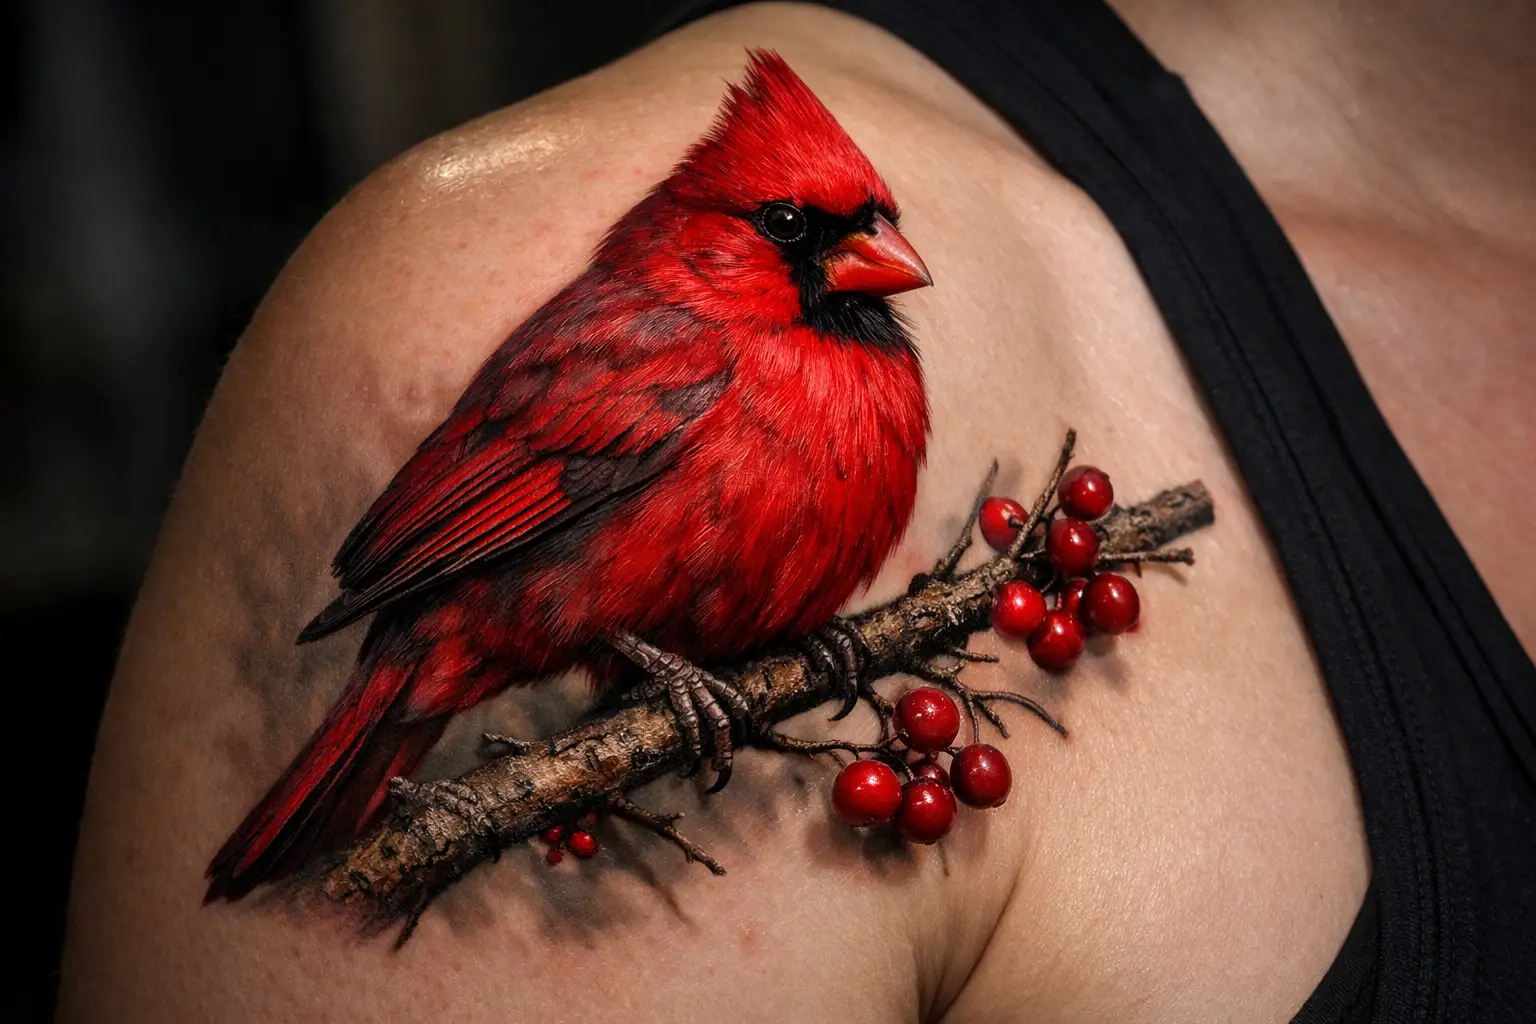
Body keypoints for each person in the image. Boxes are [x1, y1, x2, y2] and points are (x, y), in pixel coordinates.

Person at [57, 2, 1533, 1021]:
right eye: (802, 234)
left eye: (865, 227)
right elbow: (502, 526)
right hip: (484, 605)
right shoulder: (601, 309)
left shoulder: (866, 378)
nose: (873, 257)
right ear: (704, 240)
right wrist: (658, 677)